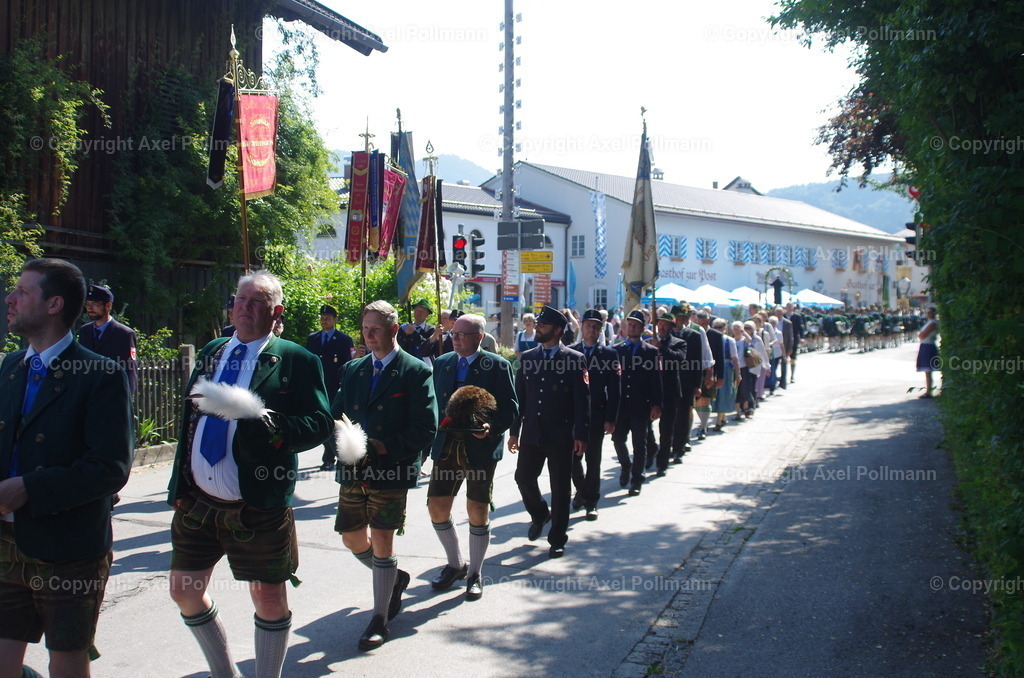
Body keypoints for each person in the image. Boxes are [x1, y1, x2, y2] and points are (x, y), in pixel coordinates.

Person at [166, 270, 332, 678]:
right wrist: (178, 486)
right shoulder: (213, 351)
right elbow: (190, 419)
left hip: (258, 503)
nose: (244, 307)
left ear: (276, 311)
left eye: (256, 301)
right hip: (198, 501)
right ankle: (225, 672)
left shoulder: (296, 359)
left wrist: (273, 428)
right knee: (184, 591)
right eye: (240, 299)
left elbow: (319, 422)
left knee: (269, 598)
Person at [0, 258, 133, 678]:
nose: (10, 298)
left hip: (69, 548)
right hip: (5, 541)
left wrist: (30, 488)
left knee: (66, 660)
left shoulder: (100, 374)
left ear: (54, 303)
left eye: (22, 291)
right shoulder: (9, 367)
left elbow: (110, 468)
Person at [332, 300, 437, 650]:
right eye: (365, 328)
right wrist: (338, 437)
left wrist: (383, 447)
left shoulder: (415, 371)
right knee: (350, 537)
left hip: (391, 470)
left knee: (382, 541)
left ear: (394, 329)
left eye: (376, 328)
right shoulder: (353, 369)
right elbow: (336, 414)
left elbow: (425, 429)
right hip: (353, 469)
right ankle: (394, 578)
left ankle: (379, 618)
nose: (369, 335)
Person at [427, 314, 517, 600]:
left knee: (477, 511)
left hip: (479, 447)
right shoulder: (441, 364)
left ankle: (475, 573)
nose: (455, 338)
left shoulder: (497, 365)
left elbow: (511, 408)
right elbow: (432, 406)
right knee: (437, 508)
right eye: (453, 333)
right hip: (446, 446)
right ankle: (455, 564)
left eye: (461, 334)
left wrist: (492, 427)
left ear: (479, 337)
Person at [508, 306, 588, 558]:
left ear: (558, 330)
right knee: (523, 478)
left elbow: (581, 401)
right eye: (538, 324)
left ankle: (557, 538)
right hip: (532, 432)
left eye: (543, 325)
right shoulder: (528, 357)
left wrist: (581, 435)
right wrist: (514, 431)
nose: (538, 327)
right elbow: (519, 398)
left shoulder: (575, 359)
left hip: (560, 435)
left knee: (561, 487)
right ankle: (541, 513)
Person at [569, 309, 620, 519]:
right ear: (581, 326)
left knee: (593, 460)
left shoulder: (609, 354)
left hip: (597, 415)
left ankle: (591, 501)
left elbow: (615, 389)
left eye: (596, 326)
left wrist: (611, 418)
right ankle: (581, 490)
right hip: (573, 417)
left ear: (600, 330)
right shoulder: (570, 352)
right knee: (572, 460)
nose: (591, 329)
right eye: (588, 325)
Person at [612, 310, 662, 495]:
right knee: (618, 439)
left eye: (635, 325)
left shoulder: (651, 352)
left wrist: (657, 404)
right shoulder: (617, 351)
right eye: (629, 324)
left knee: (639, 444)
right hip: (620, 406)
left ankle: (637, 479)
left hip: (641, 405)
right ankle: (626, 465)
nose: (631, 328)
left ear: (642, 328)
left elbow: (656, 380)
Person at [305, 304, 354, 471]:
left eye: (328, 318)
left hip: (334, 387)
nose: (324, 320)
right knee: (321, 420)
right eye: (322, 318)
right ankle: (329, 454)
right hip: (317, 386)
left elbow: (346, 364)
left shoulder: (343, 340)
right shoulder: (313, 338)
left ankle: (331, 456)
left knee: (334, 421)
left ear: (335, 320)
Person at [76, 283, 139, 395]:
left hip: (112, 395)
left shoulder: (124, 334)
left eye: (95, 304)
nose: (90, 308)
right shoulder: (84, 331)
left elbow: (130, 370)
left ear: (108, 306)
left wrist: (126, 399)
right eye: (87, 304)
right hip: (88, 396)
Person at [648, 313, 686, 477]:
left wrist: (661, 348)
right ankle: (650, 450)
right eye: (660, 324)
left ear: (671, 327)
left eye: (665, 325)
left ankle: (662, 463)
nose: (662, 327)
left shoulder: (679, 343)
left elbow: (679, 359)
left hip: (669, 392)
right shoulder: (648, 343)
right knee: (645, 427)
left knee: (666, 430)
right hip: (651, 391)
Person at [712, 318, 740, 430]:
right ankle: (722, 417)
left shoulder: (730, 341)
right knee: (716, 394)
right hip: (714, 367)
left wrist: (738, 373)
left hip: (726, 369)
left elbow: (735, 358)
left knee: (724, 393)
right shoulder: (711, 339)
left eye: (721, 327)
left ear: (725, 328)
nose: (718, 329)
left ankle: (719, 420)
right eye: (716, 327)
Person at [396, 299, 436, 365]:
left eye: (422, 311)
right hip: (406, 363)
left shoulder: (431, 330)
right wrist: (405, 334)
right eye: (417, 310)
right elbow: (399, 345)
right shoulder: (404, 327)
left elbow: (426, 347)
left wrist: (414, 333)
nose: (419, 313)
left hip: (425, 365)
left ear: (427, 314)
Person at [916, 307, 939, 398]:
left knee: (928, 369)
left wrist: (921, 335)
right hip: (925, 345)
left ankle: (929, 391)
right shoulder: (929, 322)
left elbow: (922, 335)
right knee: (927, 370)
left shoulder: (933, 323)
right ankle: (928, 389)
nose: (929, 314)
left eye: (930, 312)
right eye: (928, 312)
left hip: (928, 345)